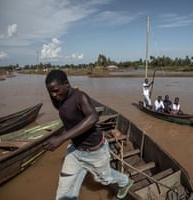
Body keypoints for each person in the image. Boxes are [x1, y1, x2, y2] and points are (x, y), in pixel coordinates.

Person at [43, 69, 133, 200]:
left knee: (105, 178)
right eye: (50, 92)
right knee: (64, 189)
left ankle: (125, 181)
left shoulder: (80, 97)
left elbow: (93, 117)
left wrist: (61, 138)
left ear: (66, 84)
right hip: (75, 150)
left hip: (94, 151)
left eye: (56, 90)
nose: (54, 95)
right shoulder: (60, 100)